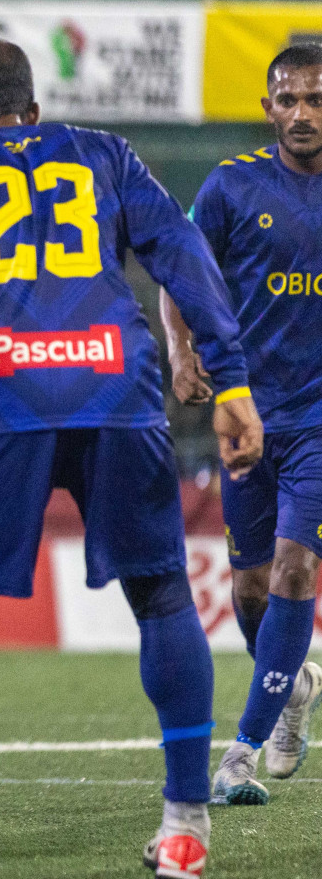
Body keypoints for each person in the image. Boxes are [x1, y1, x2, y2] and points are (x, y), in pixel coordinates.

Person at [0, 37, 262, 879]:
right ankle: (186, 827)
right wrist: (230, 381)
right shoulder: (105, 153)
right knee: (161, 594)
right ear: (34, 112)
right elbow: (183, 257)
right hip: (115, 387)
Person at [161, 43, 322, 807]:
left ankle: (244, 752)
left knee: (296, 569)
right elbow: (178, 267)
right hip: (249, 416)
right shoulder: (231, 186)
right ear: (267, 108)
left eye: (316, 99)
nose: (302, 113)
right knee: (251, 593)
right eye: (288, 99)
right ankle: (295, 687)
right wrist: (180, 348)